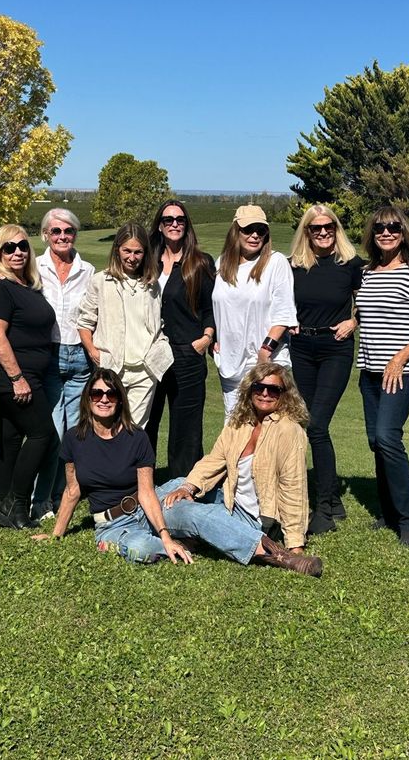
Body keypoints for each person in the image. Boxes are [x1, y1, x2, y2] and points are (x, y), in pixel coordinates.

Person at [159, 363, 323, 577]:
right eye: (259, 387)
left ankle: (275, 553)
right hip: (230, 502)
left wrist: (295, 544)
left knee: (189, 512)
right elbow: (213, 460)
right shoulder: (238, 423)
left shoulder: (288, 430)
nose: (265, 393)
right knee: (176, 486)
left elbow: (294, 486)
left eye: (273, 389)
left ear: (285, 394)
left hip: (257, 517)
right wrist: (188, 487)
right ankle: (137, 513)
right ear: (250, 389)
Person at [32, 369, 192, 564]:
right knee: (140, 549)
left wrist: (164, 534)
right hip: (111, 523)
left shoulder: (137, 436)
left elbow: (147, 492)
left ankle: (225, 523)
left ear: (120, 400)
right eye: (97, 394)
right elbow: (72, 490)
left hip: (146, 506)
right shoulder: (73, 439)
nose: (104, 399)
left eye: (111, 394)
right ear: (88, 399)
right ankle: (180, 545)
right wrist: (56, 535)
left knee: (194, 491)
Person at [356, 205, 409, 547]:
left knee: (388, 437)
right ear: (372, 235)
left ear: (403, 232)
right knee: (377, 442)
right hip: (369, 371)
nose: (386, 233)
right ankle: (388, 513)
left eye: (393, 227)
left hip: (400, 373)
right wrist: (352, 322)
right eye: (379, 228)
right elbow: (365, 311)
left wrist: (398, 360)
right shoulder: (368, 272)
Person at [288, 204, 365, 535]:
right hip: (302, 348)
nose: (322, 232)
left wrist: (354, 320)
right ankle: (333, 500)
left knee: (317, 425)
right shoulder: (294, 266)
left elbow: (372, 299)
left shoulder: (351, 265)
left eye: (328, 227)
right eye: (315, 228)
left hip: (336, 348)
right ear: (306, 232)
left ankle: (323, 508)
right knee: (309, 425)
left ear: (336, 229)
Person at [0, 224, 60, 530]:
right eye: (9, 248)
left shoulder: (26, 285)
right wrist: (17, 377)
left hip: (31, 373)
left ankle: (1, 505)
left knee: (12, 437)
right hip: (14, 374)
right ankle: (17, 503)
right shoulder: (2, 286)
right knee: (43, 434)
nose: (17, 252)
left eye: (22, 246)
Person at [31, 208, 95, 522]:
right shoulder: (34, 266)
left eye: (68, 231)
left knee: (73, 433)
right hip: (49, 355)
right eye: (55, 231)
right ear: (46, 234)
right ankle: (39, 498)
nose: (61, 237)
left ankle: (59, 494)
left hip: (80, 357)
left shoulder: (89, 271)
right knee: (54, 430)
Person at [77, 223, 173, 429]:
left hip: (145, 370)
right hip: (112, 366)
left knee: (134, 429)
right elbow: (85, 322)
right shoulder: (101, 281)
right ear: (117, 250)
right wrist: (93, 351)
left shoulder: (152, 283)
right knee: (106, 425)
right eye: (127, 250)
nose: (132, 257)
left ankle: (128, 463)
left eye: (138, 252)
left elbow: (157, 323)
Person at [146, 199, 216, 477]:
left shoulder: (200, 262)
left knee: (185, 428)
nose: (174, 224)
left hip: (187, 355)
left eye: (180, 220)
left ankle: (183, 488)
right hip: (150, 353)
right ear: (160, 226)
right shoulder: (147, 260)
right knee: (146, 422)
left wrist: (207, 337)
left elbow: (212, 307)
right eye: (168, 220)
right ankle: (142, 484)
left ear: (186, 225)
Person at [212, 205, 297, 417]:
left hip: (265, 363)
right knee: (234, 430)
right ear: (236, 231)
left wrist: (265, 351)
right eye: (248, 229)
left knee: (267, 432)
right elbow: (216, 306)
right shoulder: (221, 264)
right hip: (230, 365)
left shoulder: (275, 262)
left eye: (261, 230)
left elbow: (284, 313)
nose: (255, 235)